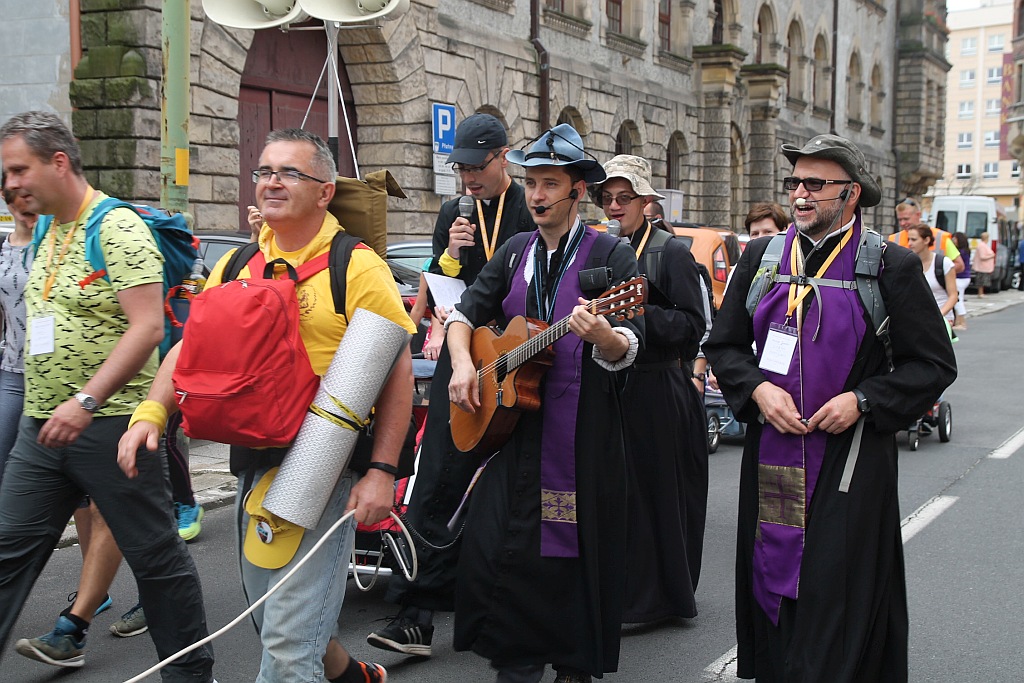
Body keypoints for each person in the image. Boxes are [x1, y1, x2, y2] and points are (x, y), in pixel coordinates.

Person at [119, 128, 414, 683]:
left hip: (324, 463)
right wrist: (151, 414)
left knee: (286, 646)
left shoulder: (357, 266)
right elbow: (189, 347)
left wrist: (382, 472)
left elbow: (397, 371)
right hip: (253, 460)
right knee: (271, 620)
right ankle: (353, 676)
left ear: (325, 191)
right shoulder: (235, 264)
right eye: (263, 171)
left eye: (288, 172)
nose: (271, 181)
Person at [704, 133, 957, 682]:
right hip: (772, 458)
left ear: (852, 194)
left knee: (834, 594)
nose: (799, 194)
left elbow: (934, 365)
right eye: (794, 182)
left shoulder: (890, 265)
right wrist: (756, 390)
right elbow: (722, 345)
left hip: (850, 467)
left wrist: (864, 399)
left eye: (814, 184)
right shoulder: (761, 256)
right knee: (775, 584)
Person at [0, 110, 215, 680]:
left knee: (155, 558)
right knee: (7, 550)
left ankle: (191, 674)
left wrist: (87, 400)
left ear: (59, 162)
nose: (11, 183)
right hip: (41, 425)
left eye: (19, 169)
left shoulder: (115, 228)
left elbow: (146, 328)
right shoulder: (46, 226)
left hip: (112, 423)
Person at [446, 123, 643, 683]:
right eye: (531, 183)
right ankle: (516, 662)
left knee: (569, 555)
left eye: (549, 184)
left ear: (578, 190)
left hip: (580, 440)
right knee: (497, 551)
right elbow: (464, 314)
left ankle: (573, 667)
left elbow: (631, 344)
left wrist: (601, 335)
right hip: (511, 437)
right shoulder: (514, 252)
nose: (535, 196)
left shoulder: (612, 256)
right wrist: (464, 362)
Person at [368, 112, 534, 657]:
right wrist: (452, 251)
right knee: (436, 477)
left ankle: (508, 614)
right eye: (459, 168)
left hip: (518, 360)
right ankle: (413, 612)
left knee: (516, 486)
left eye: (475, 167)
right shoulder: (452, 213)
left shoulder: (528, 207)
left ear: (502, 157)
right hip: (460, 360)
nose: (467, 180)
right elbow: (443, 287)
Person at [593, 154, 708, 624]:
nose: (615, 206)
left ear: (646, 202)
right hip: (614, 382)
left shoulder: (670, 251)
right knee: (621, 495)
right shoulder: (602, 248)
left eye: (625, 198)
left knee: (661, 494)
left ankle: (661, 598)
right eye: (608, 198)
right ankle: (623, 592)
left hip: (661, 383)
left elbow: (692, 325)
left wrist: (632, 318)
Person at [0, 173, 36, 478]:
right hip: (12, 370)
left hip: (55, 373)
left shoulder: (57, 246)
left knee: (78, 487)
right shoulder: (2, 248)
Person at [891, 197, 964, 274]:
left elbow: (959, 265)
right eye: (900, 219)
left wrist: (935, 273)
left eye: (906, 219)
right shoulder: (894, 239)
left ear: (918, 215)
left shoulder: (940, 237)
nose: (902, 223)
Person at [950, 232, 971, 329]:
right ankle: (959, 321)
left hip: (960, 277)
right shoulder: (965, 251)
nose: (953, 241)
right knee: (958, 299)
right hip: (965, 277)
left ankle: (962, 323)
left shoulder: (960, 252)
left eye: (955, 239)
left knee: (958, 300)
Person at [973, 231, 995, 297]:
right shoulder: (982, 246)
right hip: (982, 267)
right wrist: (991, 256)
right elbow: (982, 256)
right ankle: (980, 293)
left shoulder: (983, 245)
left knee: (982, 280)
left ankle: (981, 293)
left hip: (984, 267)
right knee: (981, 281)